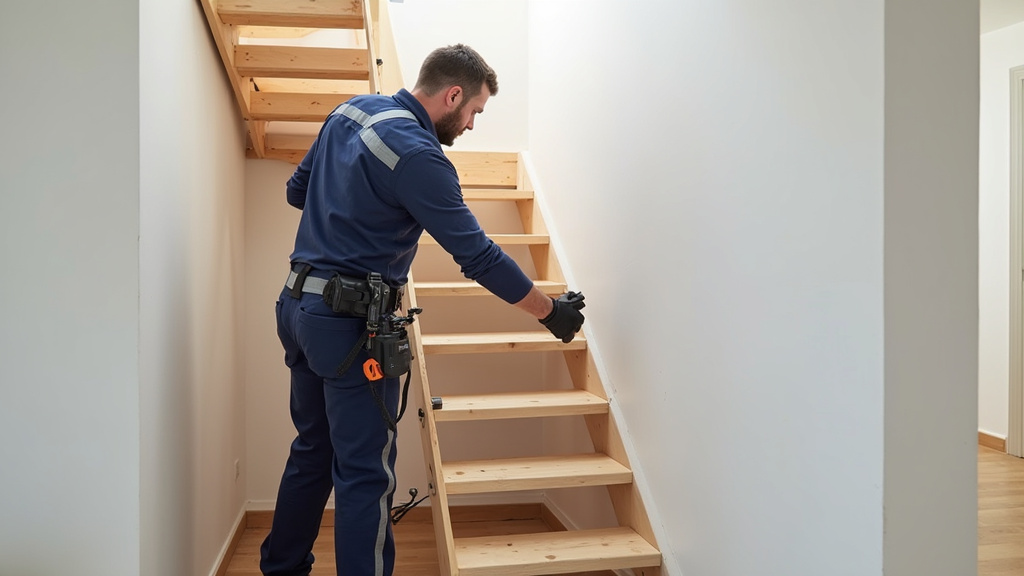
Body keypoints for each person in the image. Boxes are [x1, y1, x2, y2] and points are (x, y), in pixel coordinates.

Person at [259, 44, 586, 576]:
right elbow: (478, 255)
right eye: (475, 111)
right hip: (349, 330)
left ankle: (281, 568)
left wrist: (355, 208)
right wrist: (550, 312)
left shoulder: (350, 110)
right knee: (365, 475)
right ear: (452, 94)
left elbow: (298, 192)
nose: (473, 125)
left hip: (298, 308)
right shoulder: (418, 156)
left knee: (312, 450)